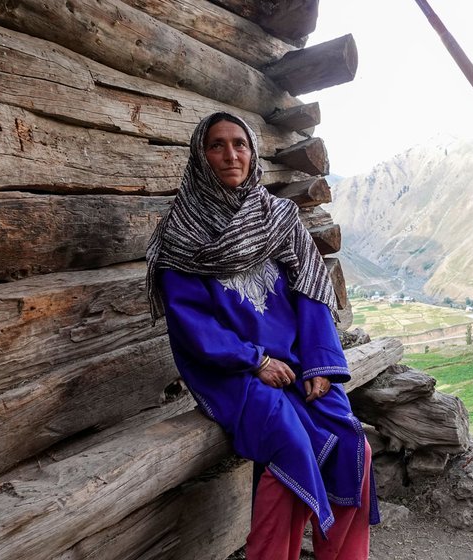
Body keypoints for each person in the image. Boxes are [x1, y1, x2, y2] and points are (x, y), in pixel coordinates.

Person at [146, 112, 380, 559]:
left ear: (253, 154)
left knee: (352, 443)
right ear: (200, 155)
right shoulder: (181, 232)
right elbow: (190, 321)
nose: (230, 154)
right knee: (290, 446)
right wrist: (255, 361)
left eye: (240, 144)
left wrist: (319, 363)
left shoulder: (280, 217)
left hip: (296, 360)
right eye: (217, 145)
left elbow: (312, 292)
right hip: (232, 369)